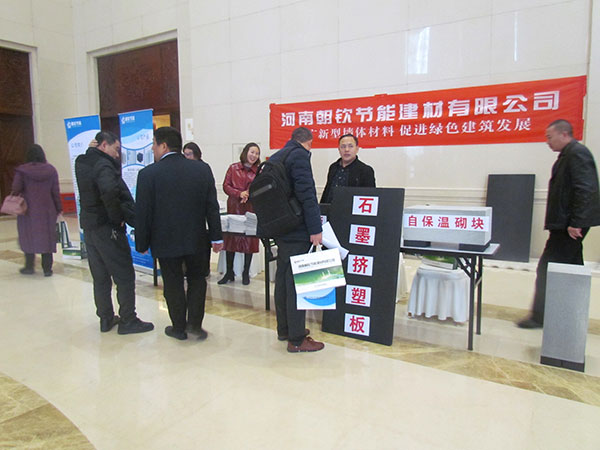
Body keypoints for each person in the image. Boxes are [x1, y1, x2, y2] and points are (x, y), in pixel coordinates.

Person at [135, 127, 223, 341]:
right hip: (197, 239)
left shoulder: (148, 174)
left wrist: (141, 243)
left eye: (154, 144)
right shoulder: (201, 170)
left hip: (165, 241)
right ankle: (195, 325)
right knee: (197, 281)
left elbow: (143, 212)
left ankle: (178, 328)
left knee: (172, 283)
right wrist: (216, 237)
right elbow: (212, 207)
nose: (153, 149)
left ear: (164, 146)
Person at [517, 119, 600, 329]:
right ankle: (571, 315)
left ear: (564, 134)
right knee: (572, 271)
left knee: (546, 269)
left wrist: (576, 222)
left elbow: (586, 189)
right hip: (565, 225)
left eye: (549, 137)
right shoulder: (568, 155)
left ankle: (539, 317)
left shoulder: (577, 154)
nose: (547, 141)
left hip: (568, 228)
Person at [75, 131, 154, 335]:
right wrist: (116, 217)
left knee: (100, 276)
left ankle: (105, 318)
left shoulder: (82, 161)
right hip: (107, 228)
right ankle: (128, 320)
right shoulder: (103, 165)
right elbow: (109, 191)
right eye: (116, 149)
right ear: (104, 145)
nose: (117, 154)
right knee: (124, 275)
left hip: (90, 227)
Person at [269, 127, 325, 353]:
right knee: (296, 283)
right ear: (309, 142)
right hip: (297, 228)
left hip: (281, 227)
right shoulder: (300, 155)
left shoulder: (277, 156)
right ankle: (296, 338)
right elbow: (307, 194)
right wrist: (315, 228)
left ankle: (285, 329)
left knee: (283, 279)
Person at [11, 144, 62, 276]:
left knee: (28, 236)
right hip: (47, 209)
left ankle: (29, 267)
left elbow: (16, 188)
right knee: (47, 237)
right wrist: (58, 208)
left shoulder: (22, 171)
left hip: (27, 209)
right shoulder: (51, 170)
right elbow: (55, 191)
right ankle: (47, 269)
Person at [218, 142, 261, 285]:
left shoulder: (259, 171)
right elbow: (226, 186)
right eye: (252, 152)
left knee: (250, 240)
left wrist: (249, 194)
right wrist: (239, 193)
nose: (254, 155)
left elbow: (262, 188)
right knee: (231, 239)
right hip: (234, 207)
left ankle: (245, 272)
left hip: (250, 207)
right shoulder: (233, 168)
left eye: (257, 153)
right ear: (245, 152)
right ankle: (229, 272)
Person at [320, 133, 376, 204]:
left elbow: (370, 198)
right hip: (330, 208)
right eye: (343, 146)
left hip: (351, 209)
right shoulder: (333, 167)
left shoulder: (365, 171)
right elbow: (327, 191)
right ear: (339, 149)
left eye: (350, 146)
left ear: (357, 149)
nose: (346, 150)